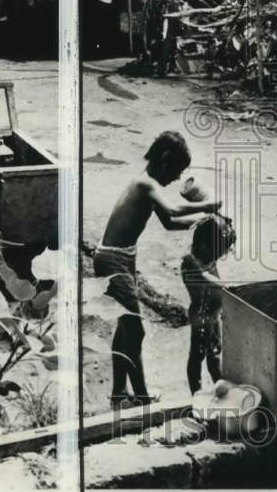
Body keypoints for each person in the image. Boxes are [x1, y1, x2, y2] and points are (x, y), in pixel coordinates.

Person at [93, 131, 221, 407]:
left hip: (122, 257)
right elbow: (173, 210)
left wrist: (203, 222)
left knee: (125, 329)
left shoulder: (149, 187)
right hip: (112, 260)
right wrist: (207, 205)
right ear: (164, 160)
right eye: (176, 171)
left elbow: (170, 223)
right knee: (135, 331)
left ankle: (119, 392)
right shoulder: (145, 184)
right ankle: (142, 398)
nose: (176, 179)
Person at [181, 214, 237, 395]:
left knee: (215, 352)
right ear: (206, 247)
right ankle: (196, 393)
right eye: (219, 252)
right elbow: (206, 277)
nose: (220, 256)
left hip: (214, 314)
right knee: (197, 356)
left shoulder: (206, 255)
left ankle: (220, 386)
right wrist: (227, 285)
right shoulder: (191, 262)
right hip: (202, 317)